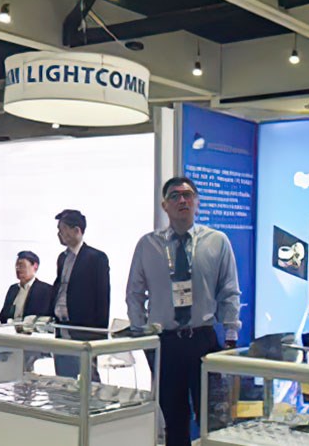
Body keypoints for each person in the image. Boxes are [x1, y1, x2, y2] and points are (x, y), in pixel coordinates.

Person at [126, 177, 241, 446]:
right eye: (175, 196)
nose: (182, 201)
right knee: (174, 418)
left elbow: (229, 291)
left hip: (203, 339)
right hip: (165, 342)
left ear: (197, 203)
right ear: (164, 205)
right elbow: (134, 293)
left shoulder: (217, 241)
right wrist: (142, 334)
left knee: (212, 417)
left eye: (188, 195)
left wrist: (231, 334)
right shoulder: (148, 245)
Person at [51, 209, 110, 380]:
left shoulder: (96, 258)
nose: (59, 234)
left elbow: (103, 297)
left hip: (84, 328)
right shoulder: (62, 258)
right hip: (61, 326)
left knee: (88, 378)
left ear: (77, 230)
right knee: (64, 376)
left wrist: (99, 333)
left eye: (62, 230)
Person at [0, 251, 53, 324]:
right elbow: (3, 315)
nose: (18, 269)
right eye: (16, 266)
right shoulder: (13, 289)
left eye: (22, 266)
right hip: (9, 329)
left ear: (35, 266)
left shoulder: (46, 290)